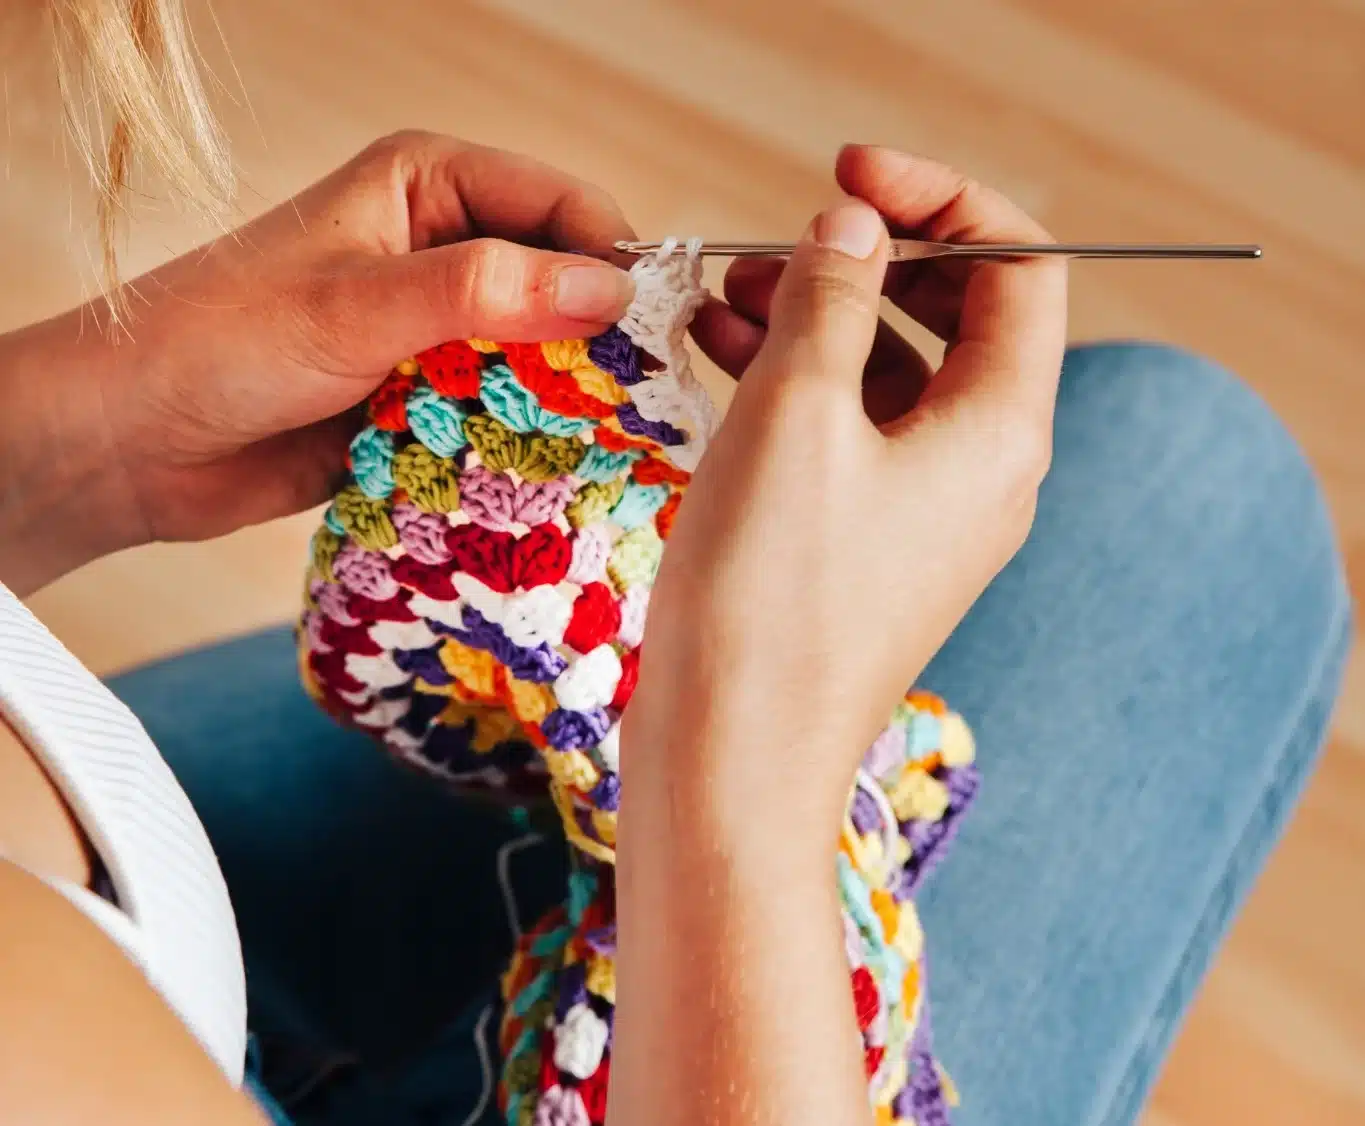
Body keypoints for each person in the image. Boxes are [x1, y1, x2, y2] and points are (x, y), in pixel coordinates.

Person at [0, 5, 1349, 1126]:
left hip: (118, 916)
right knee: (1192, 471)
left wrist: (55, 449)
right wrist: (744, 758)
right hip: (117, 999)